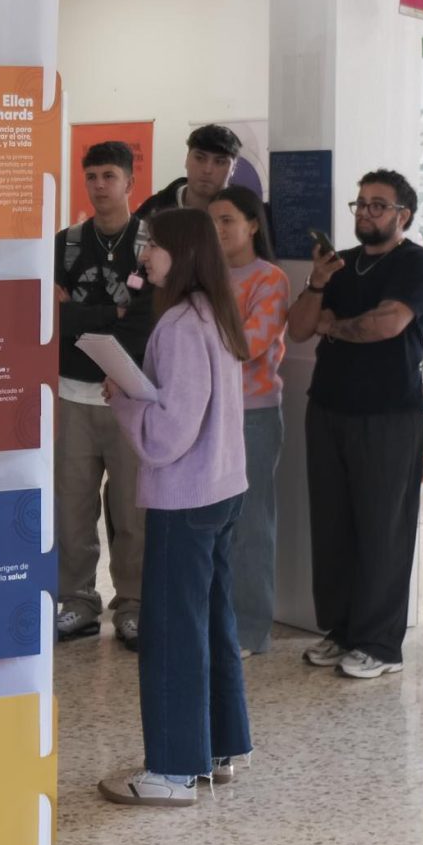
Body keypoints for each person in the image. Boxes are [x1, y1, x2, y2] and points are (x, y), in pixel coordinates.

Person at [98, 207, 253, 807]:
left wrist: (124, 400)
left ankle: (170, 770)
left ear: (182, 252)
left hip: (186, 499)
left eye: (153, 245)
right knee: (211, 619)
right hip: (220, 490)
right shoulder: (215, 315)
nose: (145, 255)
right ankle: (218, 748)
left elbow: (167, 436)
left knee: (170, 632)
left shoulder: (181, 327)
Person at [287, 170, 423, 680]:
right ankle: (342, 630)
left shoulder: (417, 264)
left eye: (379, 206)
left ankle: (379, 644)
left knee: (382, 530)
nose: (365, 214)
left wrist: (337, 327)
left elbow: (388, 324)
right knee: (332, 526)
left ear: (404, 216)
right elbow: (301, 328)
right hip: (328, 409)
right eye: (360, 204)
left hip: (387, 415)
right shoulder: (340, 265)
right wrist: (317, 284)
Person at [53, 141, 154, 647]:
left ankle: (133, 603)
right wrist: (109, 315)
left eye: (109, 176)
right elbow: (51, 316)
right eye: (91, 176)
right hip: (71, 393)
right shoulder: (65, 244)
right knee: (71, 507)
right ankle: (76, 599)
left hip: (133, 397)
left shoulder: (153, 247)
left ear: (130, 182)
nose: (98, 185)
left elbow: (149, 318)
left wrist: (83, 313)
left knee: (132, 510)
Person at [208, 187, 291, 657]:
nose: (218, 230)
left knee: (251, 526)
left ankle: (250, 629)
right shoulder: (204, 275)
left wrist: (200, 340)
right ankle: (219, 622)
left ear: (253, 225)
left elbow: (248, 345)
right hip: (207, 415)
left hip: (253, 415)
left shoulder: (270, 279)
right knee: (213, 525)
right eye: (212, 221)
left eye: (227, 220)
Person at [136, 123, 243, 220]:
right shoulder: (152, 210)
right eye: (200, 158)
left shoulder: (246, 213)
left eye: (219, 162)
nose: (207, 170)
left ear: (233, 168)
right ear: (186, 159)